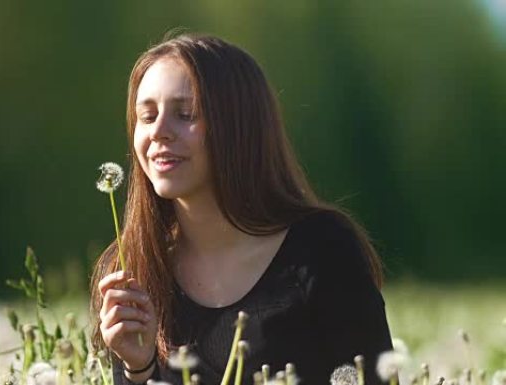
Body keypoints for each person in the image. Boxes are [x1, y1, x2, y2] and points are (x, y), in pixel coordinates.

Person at [90, 33, 394, 385]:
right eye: (147, 116)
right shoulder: (133, 267)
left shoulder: (323, 249)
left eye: (184, 114)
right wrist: (138, 369)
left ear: (238, 125)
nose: (159, 131)